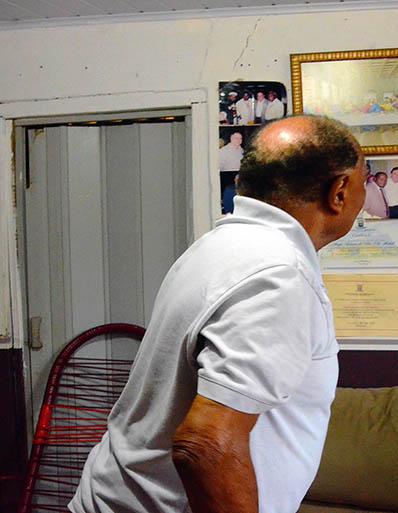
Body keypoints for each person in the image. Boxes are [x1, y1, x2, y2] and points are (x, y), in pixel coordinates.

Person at [69, 115, 367, 513]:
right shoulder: (279, 274)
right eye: (365, 181)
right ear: (340, 192)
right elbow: (205, 445)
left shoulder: (220, 245)